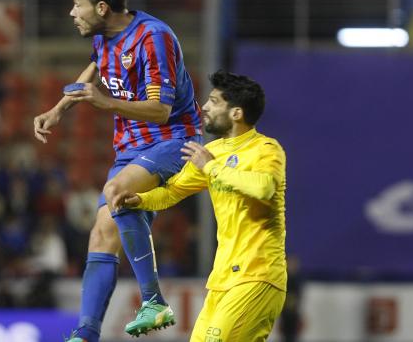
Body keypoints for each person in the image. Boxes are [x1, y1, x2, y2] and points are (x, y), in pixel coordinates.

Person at [33, 0, 202, 341]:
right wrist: (59, 109)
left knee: (116, 192)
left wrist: (105, 103)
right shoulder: (104, 35)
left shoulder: (153, 38)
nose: (71, 12)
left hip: (174, 140)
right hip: (130, 149)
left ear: (103, 7)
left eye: (78, 4)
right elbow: (96, 66)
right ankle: (86, 333)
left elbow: (160, 110)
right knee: (102, 235)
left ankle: (154, 301)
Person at [114, 70, 287, 342]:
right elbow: (172, 192)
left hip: (258, 275)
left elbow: (263, 188)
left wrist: (211, 167)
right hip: (222, 280)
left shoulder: (265, 149)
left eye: (215, 101)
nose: (205, 107)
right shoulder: (213, 152)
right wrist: (141, 200)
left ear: (236, 113)